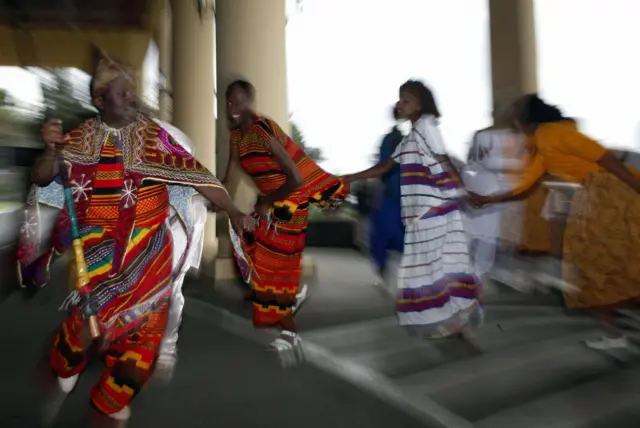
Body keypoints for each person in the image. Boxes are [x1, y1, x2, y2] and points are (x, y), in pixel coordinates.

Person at [17, 55, 254, 425]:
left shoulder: (151, 139)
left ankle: (108, 405)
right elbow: (45, 176)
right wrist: (50, 149)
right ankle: (58, 386)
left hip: (150, 275)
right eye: (123, 93)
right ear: (99, 100)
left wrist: (235, 211)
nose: (133, 100)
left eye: (133, 93)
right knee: (68, 358)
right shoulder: (81, 138)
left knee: (132, 373)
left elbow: (197, 176)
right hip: (97, 278)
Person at [469, 94, 640, 350]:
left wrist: (634, 186)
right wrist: (488, 199)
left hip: (615, 194)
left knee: (603, 261)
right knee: (597, 263)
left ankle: (616, 332)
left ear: (523, 121)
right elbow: (526, 184)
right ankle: (615, 334)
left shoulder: (554, 134)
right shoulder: (542, 144)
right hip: (599, 194)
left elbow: (604, 157)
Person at [342, 80, 483, 337]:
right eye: (399, 99)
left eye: (405, 99)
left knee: (434, 266)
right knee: (436, 266)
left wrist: (463, 193)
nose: (399, 104)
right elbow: (386, 167)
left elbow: (443, 160)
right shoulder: (413, 136)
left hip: (434, 210)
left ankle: (462, 311)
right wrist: (350, 177)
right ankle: (463, 310)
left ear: (419, 104)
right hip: (421, 213)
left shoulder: (427, 127)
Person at [223, 80, 350, 359]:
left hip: (289, 201)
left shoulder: (262, 130)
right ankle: (286, 299)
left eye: (239, 100)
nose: (233, 107)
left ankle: (289, 332)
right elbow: (230, 176)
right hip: (267, 202)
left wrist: (268, 203)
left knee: (272, 266)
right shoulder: (236, 137)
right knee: (244, 247)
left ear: (250, 102)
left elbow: (295, 177)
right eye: (229, 101)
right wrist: (217, 200)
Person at [369, 106, 405, 284]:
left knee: (385, 233)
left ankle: (384, 269)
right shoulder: (398, 139)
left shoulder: (389, 139)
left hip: (393, 193)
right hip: (398, 193)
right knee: (394, 233)